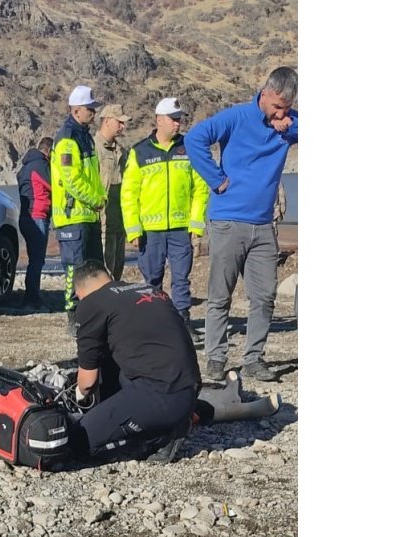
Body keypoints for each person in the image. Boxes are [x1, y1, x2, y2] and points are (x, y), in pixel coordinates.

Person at [184, 67, 298, 382]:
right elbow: (195, 139)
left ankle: (253, 360)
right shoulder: (236, 117)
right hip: (228, 221)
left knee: (264, 296)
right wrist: (216, 179)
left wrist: (288, 127)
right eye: (277, 106)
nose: (281, 113)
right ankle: (216, 359)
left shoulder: (288, 124)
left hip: (264, 226)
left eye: (287, 108)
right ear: (264, 93)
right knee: (220, 294)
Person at [71, 260, 202, 463]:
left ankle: (164, 434)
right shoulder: (147, 289)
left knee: (77, 440)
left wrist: (79, 399)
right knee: (112, 359)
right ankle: (177, 417)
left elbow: (87, 382)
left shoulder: (92, 303)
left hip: (162, 396)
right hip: (188, 388)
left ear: (80, 291)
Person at [121, 97, 208, 337]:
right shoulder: (140, 152)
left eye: (180, 119)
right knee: (152, 279)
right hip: (150, 231)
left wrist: (196, 224)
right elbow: (129, 194)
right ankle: (154, 322)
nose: (178, 124)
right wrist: (133, 230)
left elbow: (199, 188)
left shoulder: (189, 148)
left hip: (180, 229)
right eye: (173, 119)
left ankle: (182, 320)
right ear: (159, 120)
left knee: (181, 278)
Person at [51, 85, 107, 336]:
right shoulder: (67, 139)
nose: (93, 113)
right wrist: (95, 198)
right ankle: (73, 316)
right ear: (76, 110)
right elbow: (71, 179)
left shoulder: (84, 137)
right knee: (74, 269)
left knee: (94, 267)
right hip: (73, 216)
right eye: (90, 109)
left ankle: (94, 313)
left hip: (88, 215)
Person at [94, 104, 131, 281]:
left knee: (117, 268)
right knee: (104, 270)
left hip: (119, 220)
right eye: (119, 122)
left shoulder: (122, 152)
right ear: (107, 121)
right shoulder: (94, 149)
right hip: (103, 220)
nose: (122, 127)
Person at [15, 136, 52, 308]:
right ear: (49, 151)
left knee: (33, 259)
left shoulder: (25, 167)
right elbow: (54, 185)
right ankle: (32, 298)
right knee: (37, 260)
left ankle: (31, 296)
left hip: (25, 216)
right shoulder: (40, 166)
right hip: (37, 216)